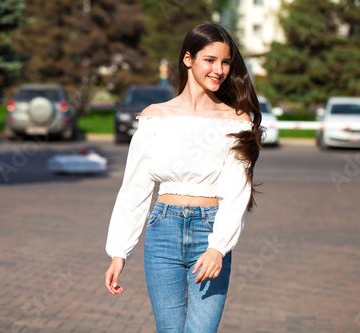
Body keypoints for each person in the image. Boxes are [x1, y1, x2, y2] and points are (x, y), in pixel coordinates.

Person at [105, 22, 263, 332]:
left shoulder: (236, 120)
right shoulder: (154, 118)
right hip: (162, 232)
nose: (219, 69)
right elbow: (134, 190)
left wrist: (219, 247)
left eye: (226, 62)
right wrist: (118, 252)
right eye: (210, 59)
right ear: (188, 59)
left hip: (210, 232)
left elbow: (236, 193)